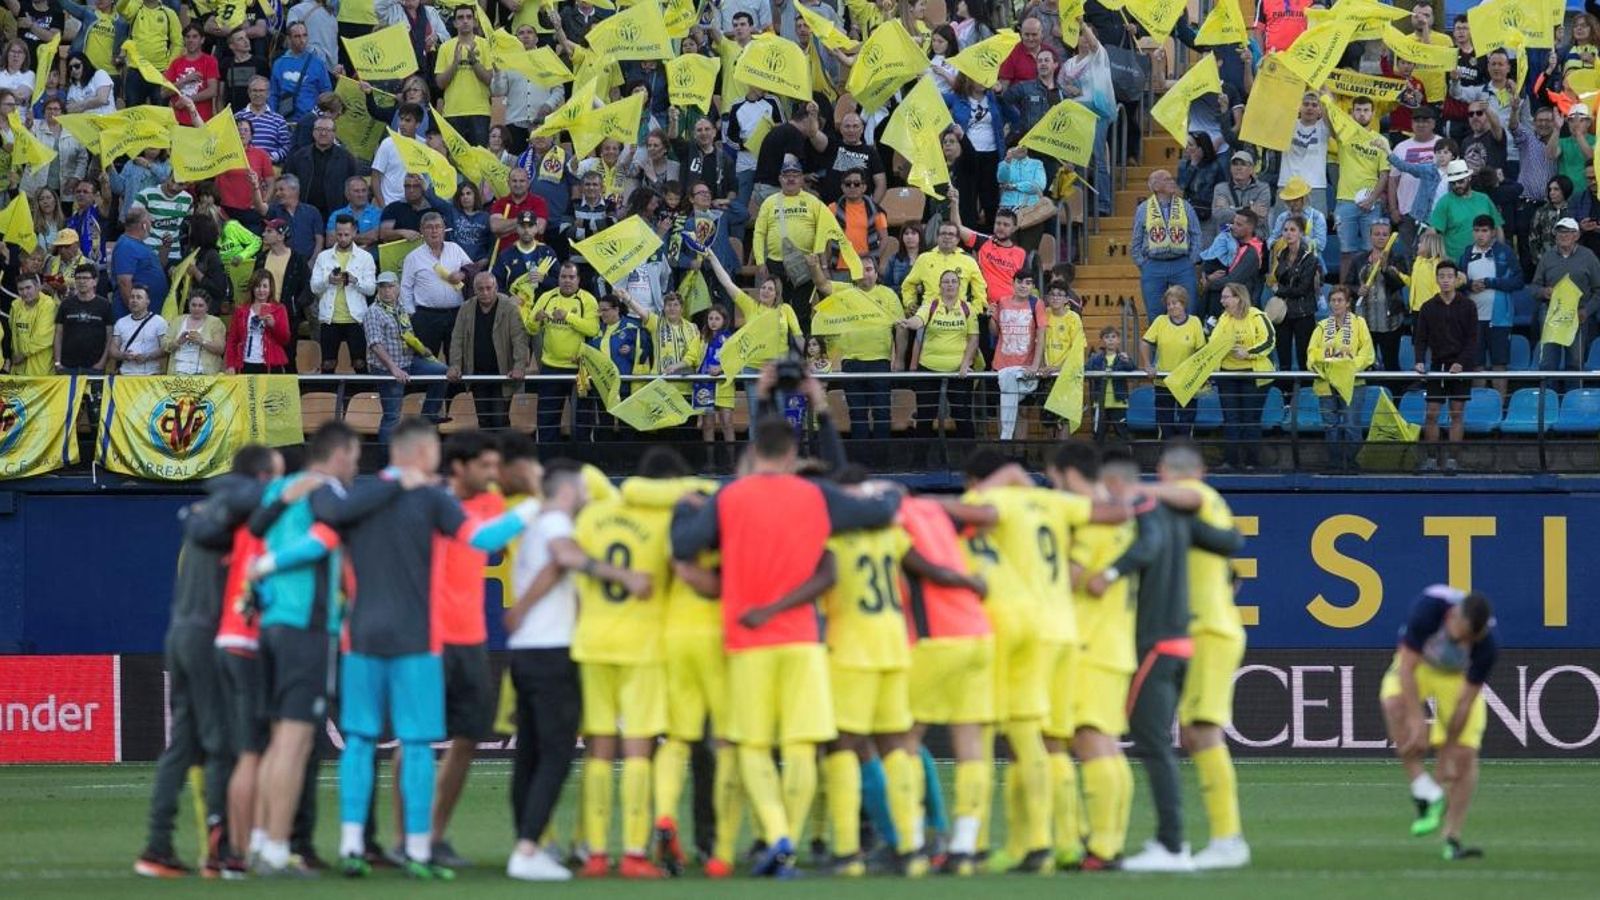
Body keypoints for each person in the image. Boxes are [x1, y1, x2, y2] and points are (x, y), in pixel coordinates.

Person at [254, 419, 538, 879]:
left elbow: (314, 544)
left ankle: (350, 845)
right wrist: (536, 507)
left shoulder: (357, 502)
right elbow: (484, 540)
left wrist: (265, 564)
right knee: (418, 742)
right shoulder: (433, 500)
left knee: (361, 741)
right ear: (426, 454)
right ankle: (420, 852)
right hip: (417, 640)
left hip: (360, 636)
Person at [671, 410, 902, 879]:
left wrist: (683, 509)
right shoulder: (815, 494)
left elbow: (684, 546)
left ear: (755, 452)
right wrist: (893, 491)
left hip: (747, 638)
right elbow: (880, 511)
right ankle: (789, 846)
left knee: (753, 745)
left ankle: (775, 833)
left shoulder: (730, 497)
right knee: (801, 746)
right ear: (794, 454)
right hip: (803, 640)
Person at [1081, 448, 1242, 874]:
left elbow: (1190, 498)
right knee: (1192, 733)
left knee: (1198, 733)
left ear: (1165, 474)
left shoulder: (1187, 494)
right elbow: (1230, 546)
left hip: (1201, 629)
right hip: (1198, 628)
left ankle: (1218, 840)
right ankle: (1217, 838)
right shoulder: (1189, 515)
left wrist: (1133, 490)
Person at [134, 446, 284, 879]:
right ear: (257, 478)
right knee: (221, 746)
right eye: (272, 478)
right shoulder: (233, 522)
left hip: (180, 632)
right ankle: (220, 852)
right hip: (206, 639)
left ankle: (156, 846)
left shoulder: (206, 517)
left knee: (182, 745)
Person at [242, 422, 362, 878]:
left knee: (279, 741)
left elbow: (257, 524)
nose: (354, 468)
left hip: (274, 625)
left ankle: (260, 839)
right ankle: (276, 848)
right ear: (339, 455)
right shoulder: (328, 489)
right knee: (294, 741)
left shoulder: (284, 487)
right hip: (306, 628)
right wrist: (268, 565)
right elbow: (327, 538)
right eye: (353, 458)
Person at [1379, 586, 1498, 861]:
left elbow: (1465, 704)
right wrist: (1417, 719)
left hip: (1454, 678)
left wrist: (1446, 753)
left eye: (1472, 639)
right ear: (1453, 617)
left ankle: (1452, 839)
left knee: (1465, 755)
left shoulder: (1488, 645)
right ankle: (1422, 790)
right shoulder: (1428, 609)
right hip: (1419, 667)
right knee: (1393, 703)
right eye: (1463, 635)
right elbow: (1406, 668)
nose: (1466, 642)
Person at [1066, 447, 1137, 870]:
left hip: (1090, 643)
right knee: (1106, 744)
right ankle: (1108, 841)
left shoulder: (1092, 527)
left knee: (1092, 741)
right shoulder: (1124, 526)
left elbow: (1069, 579)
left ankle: (1104, 848)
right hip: (1115, 641)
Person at [366, 271, 448, 442]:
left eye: (390, 286)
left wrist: (422, 349)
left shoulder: (400, 307)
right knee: (392, 417)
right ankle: (386, 463)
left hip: (408, 360)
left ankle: (429, 414)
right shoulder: (373, 312)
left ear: (397, 288)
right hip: (386, 369)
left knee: (442, 372)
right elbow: (375, 345)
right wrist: (394, 369)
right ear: (378, 290)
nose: (387, 291)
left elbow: (407, 334)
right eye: (382, 287)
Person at [1412, 260, 1478, 472]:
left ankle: (1453, 460)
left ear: (1456, 278)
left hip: (1461, 367)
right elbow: (1420, 338)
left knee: (1457, 413)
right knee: (1431, 413)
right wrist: (1420, 360)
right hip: (1437, 366)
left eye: (1450, 276)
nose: (1446, 280)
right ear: (1437, 279)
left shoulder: (1468, 306)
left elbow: (1472, 339)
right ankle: (1431, 458)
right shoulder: (1428, 307)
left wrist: (1461, 362)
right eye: (1442, 276)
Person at [902, 270, 980, 440]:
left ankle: (969, 462)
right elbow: (918, 320)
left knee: (963, 416)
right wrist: (910, 323)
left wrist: (966, 364)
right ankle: (920, 464)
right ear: (939, 286)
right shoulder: (931, 305)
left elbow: (974, 338)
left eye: (953, 281)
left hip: (959, 372)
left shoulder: (968, 309)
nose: (950, 285)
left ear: (959, 286)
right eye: (946, 282)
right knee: (925, 416)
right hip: (928, 368)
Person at [447, 271, 531, 429]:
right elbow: (457, 340)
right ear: (474, 290)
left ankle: (502, 452)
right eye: (480, 289)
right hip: (478, 374)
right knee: (484, 421)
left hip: (503, 374)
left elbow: (519, 339)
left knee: (500, 420)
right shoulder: (466, 308)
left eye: (488, 288)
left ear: (496, 288)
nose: (485, 292)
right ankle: (487, 453)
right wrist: (455, 365)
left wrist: (519, 366)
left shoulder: (510, 308)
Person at [1308, 286, 1374, 472]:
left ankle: (1352, 463)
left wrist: (1348, 367)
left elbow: (1367, 353)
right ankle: (1335, 463)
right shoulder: (1322, 326)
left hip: (1353, 383)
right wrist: (1327, 363)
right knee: (1331, 425)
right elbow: (1311, 354)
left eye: (1340, 300)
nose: (1336, 304)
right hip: (1326, 383)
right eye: (1333, 300)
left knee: (1352, 424)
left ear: (1348, 303)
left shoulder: (1359, 323)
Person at [1213, 282, 1276, 470]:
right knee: (1230, 419)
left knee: (1251, 419)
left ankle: (1252, 462)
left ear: (1238, 298)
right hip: (1227, 375)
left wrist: (1248, 352)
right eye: (1222, 297)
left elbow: (1269, 340)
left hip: (1253, 375)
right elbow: (1213, 343)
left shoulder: (1257, 315)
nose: (1222, 301)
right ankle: (1230, 461)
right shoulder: (1223, 318)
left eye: (1226, 297)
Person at [1459, 215, 1522, 393]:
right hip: (1473, 318)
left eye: (1485, 230)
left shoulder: (1505, 252)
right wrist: (1469, 285)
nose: (1480, 235)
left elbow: (1518, 281)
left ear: (1493, 232)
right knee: (1476, 365)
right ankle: (1481, 411)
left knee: (1499, 365)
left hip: (1500, 318)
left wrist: (1489, 282)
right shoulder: (1466, 253)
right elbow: (1458, 283)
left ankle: (1500, 411)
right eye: (1477, 230)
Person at [309, 214, 378, 374]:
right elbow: (314, 287)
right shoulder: (323, 256)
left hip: (356, 318)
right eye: (339, 234)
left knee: (360, 364)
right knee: (328, 364)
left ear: (354, 232)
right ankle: (328, 397)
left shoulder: (365, 258)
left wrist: (354, 280)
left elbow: (371, 289)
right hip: (329, 318)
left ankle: (362, 397)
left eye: (346, 234)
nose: (342, 238)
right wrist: (329, 280)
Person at [1529, 217, 1600, 370]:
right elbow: (1534, 287)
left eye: (1568, 232)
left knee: (1575, 363)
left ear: (1577, 236)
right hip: (1551, 315)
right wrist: (1543, 292)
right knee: (1547, 363)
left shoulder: (1589, 257)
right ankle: (1548, 394)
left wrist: (1586, 311)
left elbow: (1598, 290)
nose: (1563, 235)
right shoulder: (1547, 257)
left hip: (1577, 315)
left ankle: (1574, 394)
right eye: (1560, 232)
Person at [399, 212, 471, 358]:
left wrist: (462, 274)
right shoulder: (413, 257)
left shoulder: (455, 249)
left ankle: (454, 383)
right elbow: (405, 288)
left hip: (456, 313)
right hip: (426, 316)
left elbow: (472, 269)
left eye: (438, 227)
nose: (434, 231)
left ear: (444, 229)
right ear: (422, 231)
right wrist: (412, 314)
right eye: (429, 227)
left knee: (457, 357)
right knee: (426, 359)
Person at [1131, 170, 1200, 321]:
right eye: (1167, 179)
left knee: (1189, 311)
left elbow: (1196, 234)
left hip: (1182, 263)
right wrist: (1143, 264)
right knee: (1155, 315)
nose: (1172, 182)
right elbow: (1136, 240)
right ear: (1155, 186)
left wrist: (1192, 260)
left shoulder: (1185, 206)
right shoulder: (1143, 209)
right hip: (1154, 265)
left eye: (1172, 179)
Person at [1142, 285, 1205, 438]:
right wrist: (1147, 365)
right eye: (1169, 304)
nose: (1171, 306)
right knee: (1165, 426)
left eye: (1175, 303)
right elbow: (1145, 342)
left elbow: (1201, 351)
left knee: (1186, 425)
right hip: (1164, 382)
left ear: (1183, 303)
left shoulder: (1195, 322)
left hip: (1187, 383)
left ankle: (1185, 458)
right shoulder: (1160, 321)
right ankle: (1166, 458)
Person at [1356, 219, 1412, 372]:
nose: (1381, 237)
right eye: (1377, 234)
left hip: (1390, 321)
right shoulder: (1359, 259)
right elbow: (1347, 284)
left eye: (1384, 234)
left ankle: (1394, 395)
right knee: (1366, 364)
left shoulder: (1398, 259)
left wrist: (1386, 268)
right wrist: (1357, 290)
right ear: (1370, 236)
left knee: (1391, 363)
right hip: (1365, 321)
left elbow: (1399, 284)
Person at [1271, 216, 1322, 372]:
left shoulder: (1310, 259)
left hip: (1303, 313)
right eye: (1285, 230)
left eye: (1293, 230)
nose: (1288, 233)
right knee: (1283, 357)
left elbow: (1303, 288)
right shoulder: (1280, 255)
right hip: (1283, 313)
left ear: (1301, 233)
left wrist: (1279, 290)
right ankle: (1287, 394)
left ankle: (1306, 394)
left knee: (1304, 358)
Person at [1430, 160, 1502, 261]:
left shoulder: (1483, 199)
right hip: (1455, 264)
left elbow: (1497, 227)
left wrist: (1501, 254)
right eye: (1453, 183)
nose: (1457, 185)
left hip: (1485, 261)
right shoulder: (1445, 202)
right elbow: (1433, 232)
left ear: (1469, 178)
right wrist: (1442, 258)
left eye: (1460, 181)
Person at [226, 278, 291, 375]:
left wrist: (274, 325)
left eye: (265, 286)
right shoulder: (241, 310)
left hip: (271, 364)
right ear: (252, 288)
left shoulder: (279, 309)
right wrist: (230, 364)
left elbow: (285, 339)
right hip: (245, 363)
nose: (261, 290)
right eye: (257, 286)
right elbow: (232, 340)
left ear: (270, 289)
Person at [165, 291, 228, 375]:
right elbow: (165, 346)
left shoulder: (215, 322)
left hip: (204, 373)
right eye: (193, 305)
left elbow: (220, 349)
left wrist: (202, 341)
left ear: (207, 307)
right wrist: (178, 342)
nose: (196, 309)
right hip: (177, 371)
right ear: (189, 305)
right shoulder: (177, 321)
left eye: (200, 306)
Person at [111, 286, 168, 376]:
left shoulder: (159, 322)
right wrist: (123, 356)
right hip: (125, 374)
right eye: (132, 297)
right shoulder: (120, 322)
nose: (134, 300)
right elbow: (113, 350)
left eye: (139, 297)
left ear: (147, 302)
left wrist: (147, 357)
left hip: (151, 374)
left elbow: (165, 348)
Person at [8, 275, 56, 374]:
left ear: (38, 287)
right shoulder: (15, 305)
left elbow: (43, 337)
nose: (25, 293)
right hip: (18, 369)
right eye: (21, 289)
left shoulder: (49, 305)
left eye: (28, 288)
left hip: (40, 370)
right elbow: (12, 333)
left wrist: (23, 354)